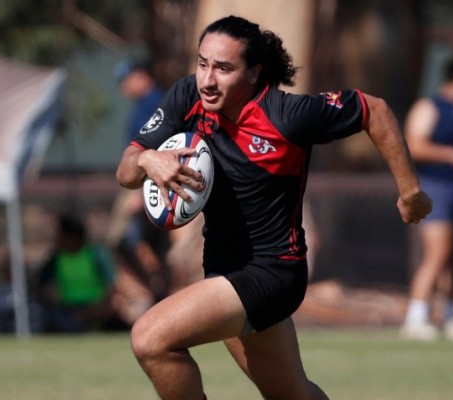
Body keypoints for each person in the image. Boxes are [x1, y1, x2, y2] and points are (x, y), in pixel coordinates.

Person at [116, 15, 432, 399]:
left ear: (253, 73)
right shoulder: (186, 98)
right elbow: (126, 172)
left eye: (224, 68)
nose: (208, 79)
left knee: (151, 339)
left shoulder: (286, 116)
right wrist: (149, 158)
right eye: (203, 64)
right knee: (291, 394)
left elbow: (374, 111)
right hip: (223, 270)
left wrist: (410, 191)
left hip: (272, 272)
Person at [399, 54, 453, 342]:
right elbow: (414, 144)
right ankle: (417, 316)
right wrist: (452, 155)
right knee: (437, 254)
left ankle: (450, 314)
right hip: (437, 188)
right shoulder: (429, 106)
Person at [107, 57, 172, 302]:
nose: (123, 86)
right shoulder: (144, 105)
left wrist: (139, 191)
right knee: (147, 244)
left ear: (142, 76)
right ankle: (157, 291)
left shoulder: (155, 104)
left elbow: (156, 148)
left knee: (122, 239)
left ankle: (159, 292)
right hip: (145, 182)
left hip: (147, 183)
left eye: (126, 79)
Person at [37, 213, 127, 332]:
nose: (57, 239)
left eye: (61, 235)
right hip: (67, 309)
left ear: (72, 236)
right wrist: (53, 300)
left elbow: (112, 286)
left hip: (95, 307)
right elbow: (40, 284)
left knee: (113, 308)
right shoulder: (56, 257)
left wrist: (93, 310)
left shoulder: (96, 254)